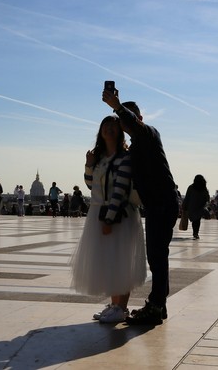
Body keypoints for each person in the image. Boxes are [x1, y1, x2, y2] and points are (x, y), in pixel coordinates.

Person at [103, 89, 179, 326]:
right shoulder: (137, 145)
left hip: (162, 202)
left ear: (138, 119)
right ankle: (158, 305)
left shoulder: (148, 133)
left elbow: (133, 124)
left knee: (157, 255)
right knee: (157, 256)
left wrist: (116, 106)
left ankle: (156, 305)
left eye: (128, 119)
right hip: (159, 203)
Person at [70, 115, 146, 323]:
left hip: (117, 214)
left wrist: (109, 219)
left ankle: (122, 308)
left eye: (113, 126)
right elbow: (91, 184)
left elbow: (120, 189)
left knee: (122, 261)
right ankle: (114, 305)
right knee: (112, 263)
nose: (109, 129)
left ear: (119, 132)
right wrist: (88, 165)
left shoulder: (125, 158)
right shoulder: (102, 158)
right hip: (101, 212)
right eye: (106, 126)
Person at [182, 175, 210, 240]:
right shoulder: (204, 188)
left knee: (194, 220)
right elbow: (207, 198)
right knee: (197, 220)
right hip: (200, 206)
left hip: (192, 206)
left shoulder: (191, 187)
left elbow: (187, 197)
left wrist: (184, 206)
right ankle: (196, 233)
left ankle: (195, 232)